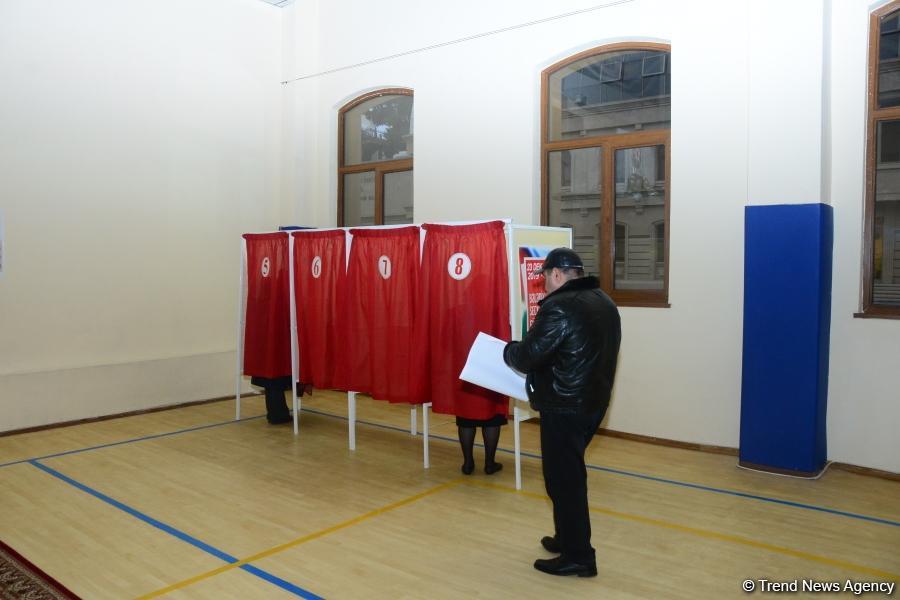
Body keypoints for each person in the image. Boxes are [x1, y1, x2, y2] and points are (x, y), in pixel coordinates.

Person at [503, 247, 621, 578]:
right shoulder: (604, 301)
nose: (543, 285)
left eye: (545, 278)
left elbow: (527, 356)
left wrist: (508, 349)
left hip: (564, 406)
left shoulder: (559, 307)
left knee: (564, 480)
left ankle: (579, 556)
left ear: (557, 275)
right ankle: (567, 538)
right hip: (592, 403)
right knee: (566, 474)